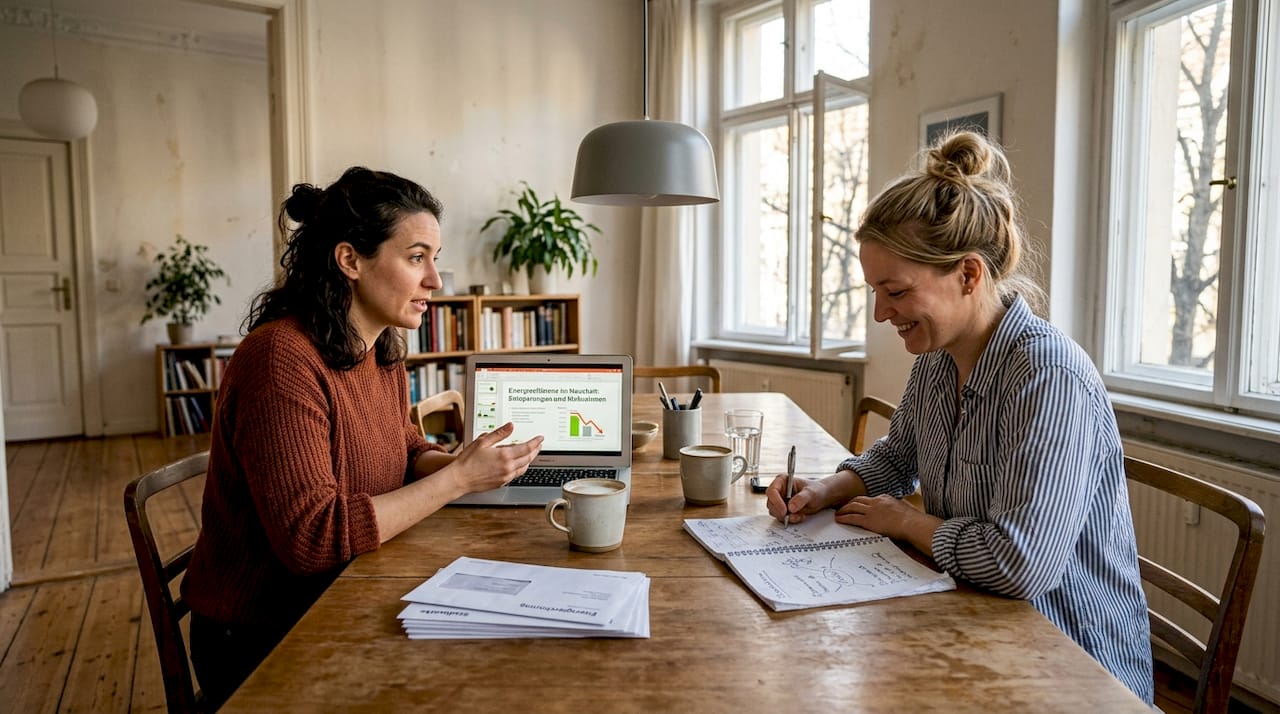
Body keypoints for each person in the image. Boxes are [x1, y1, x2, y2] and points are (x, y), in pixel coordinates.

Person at [767, 132, 1154, 704]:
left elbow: (1020, 564)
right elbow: (899, 458)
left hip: (1070, 662)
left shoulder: (1046, 377)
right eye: (875, 290)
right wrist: (825, 489)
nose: (879, 313)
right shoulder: (940, 358)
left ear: (969, 275)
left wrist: (905, 522)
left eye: (894, 290)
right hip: (977, 620)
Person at [181, 166, 544, 707]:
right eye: (417, 257)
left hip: (344, 588)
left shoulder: (380, 349)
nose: (436, 280)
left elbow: (405, 448)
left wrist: (467, 463)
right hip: (265, 632)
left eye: (434, 258)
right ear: (350, 259)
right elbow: (313, 539)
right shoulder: (279, 360)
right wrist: (459, 481)